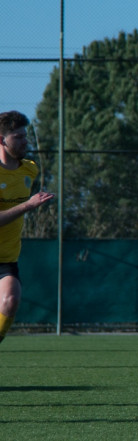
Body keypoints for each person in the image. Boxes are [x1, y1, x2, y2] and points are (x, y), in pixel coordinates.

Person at [0, 111, 55, 344]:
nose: (25, 142)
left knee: (10, 300)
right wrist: (28, 205)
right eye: (18, 137)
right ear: (2, 140)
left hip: (6, 257)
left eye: (25, 136)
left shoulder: (29, 169)